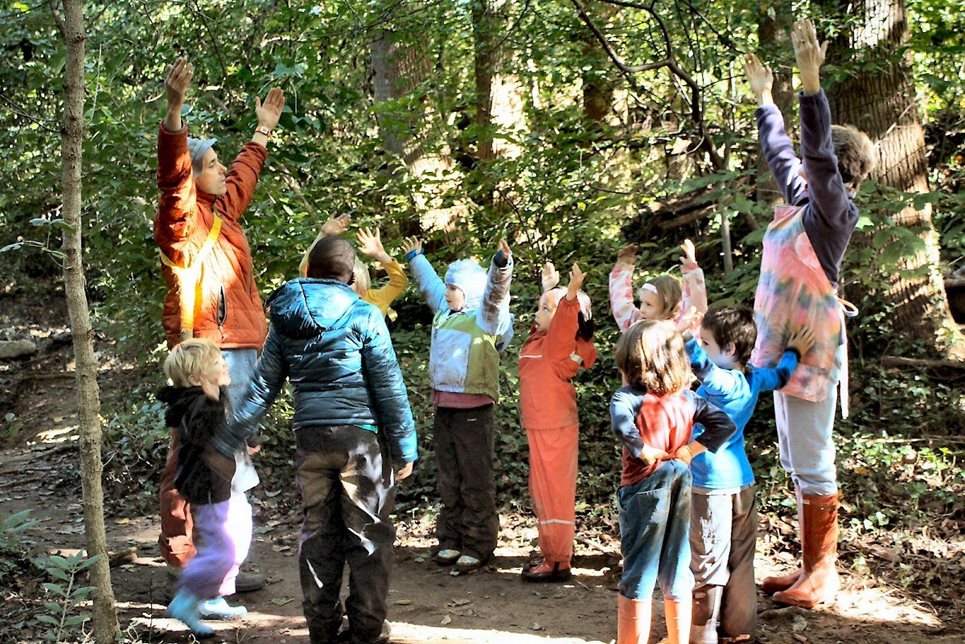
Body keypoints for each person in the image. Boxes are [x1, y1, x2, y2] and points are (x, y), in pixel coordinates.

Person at [744, 19, 876, 608]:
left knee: (814, 459)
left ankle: (824, 574)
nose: (804, 162)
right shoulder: (802, 202)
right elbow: (782, 155)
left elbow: (815, 156)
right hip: (780, 352)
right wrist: (765, 102)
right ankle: (806, 569)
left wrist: (809, 82)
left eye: (818, 158)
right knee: (798, 459)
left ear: (838, 169)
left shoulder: (833, 214)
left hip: (813, 354)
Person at [232, 236, 417, 643]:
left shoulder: (286, 318)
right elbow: (389, 387)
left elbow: (263, 384)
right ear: (350, 276)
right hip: (359, 442)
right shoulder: (364, 314)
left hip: (311, 441)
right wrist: (405, 447)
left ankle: (322, 629)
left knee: (318, 533)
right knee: (368, 534)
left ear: (310, 271)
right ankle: (367, 630)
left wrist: (240, 430)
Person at [155, 58, 284, 595]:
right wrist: (175, 113)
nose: (221, 168)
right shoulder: (184, 221)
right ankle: (191, 564)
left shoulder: (225, 215)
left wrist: (262, 132)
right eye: (211, 162)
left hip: (243, 349)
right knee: (195, 457)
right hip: (208, 350)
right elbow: (174, 178)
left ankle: (222, 564)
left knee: (230, 456)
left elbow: (244, 175)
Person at [679, 305, 814, 642]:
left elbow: (702, 367)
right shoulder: (754, 378)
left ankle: (702, 635)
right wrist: (795, 350)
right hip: (742, 482)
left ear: (730, 350)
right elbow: (781, 376)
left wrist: (682, 334)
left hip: (710, 485)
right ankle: (740, 632)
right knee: (741, 561)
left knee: (708, 563)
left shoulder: (724, 382)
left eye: (708, 343)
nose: (704, 347)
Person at [611, 321, 736, 644]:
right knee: (677, 564)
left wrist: (643, 450)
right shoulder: (687, 399)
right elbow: (724, 424)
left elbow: (623, 427)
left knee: (639, 566)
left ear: (634, 362)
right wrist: (689, 451)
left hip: (644, 485)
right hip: (680, 477)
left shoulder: (627, 397)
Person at [402, 237, 514, 572]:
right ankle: (450, 539)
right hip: (444, 409)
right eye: (448, 286)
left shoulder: (484, 317)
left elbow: (496, 293)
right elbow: (430, 285)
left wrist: (501, 266)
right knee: (449, 479)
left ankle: (478, 543)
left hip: (474, 412)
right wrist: (416, 258)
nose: (448, 292)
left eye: (455, 287)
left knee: (475, 479)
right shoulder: (445, 313)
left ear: (470, 292)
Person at [158, 339, 259, 637]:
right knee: (222, 552)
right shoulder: (199, 404)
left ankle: (203, 597)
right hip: (209, 491)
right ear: (196, 379)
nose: (224, 365)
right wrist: (214, 402)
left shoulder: (208, 399)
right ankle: (188, 599)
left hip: (220, 487)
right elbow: (203, 438)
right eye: (216, 362)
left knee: (232, 543)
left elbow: (224, 433)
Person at [518, 262, 597, 582]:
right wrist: (549, 289)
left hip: (555, 428)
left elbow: (563, 323)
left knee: (554, 494)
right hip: (542, 426)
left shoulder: (557, 344)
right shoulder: (542, 340)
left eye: (543, 308)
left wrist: (570, 295)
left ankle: (558, 561)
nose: (537, 312)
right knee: (542, 492)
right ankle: (552, 554)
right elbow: (551, 320)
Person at [298, 214, 409, 317]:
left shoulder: (374, 300)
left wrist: (380, 254)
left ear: (362, 290)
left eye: (348, 279)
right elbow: (305, 270)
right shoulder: (326, 299)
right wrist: (323, 234)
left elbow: (399, 282)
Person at [610, 241, 707, 333]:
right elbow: (621, 305)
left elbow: (696, 306)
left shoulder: (681, 326)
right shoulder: (637, 325)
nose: (642, 309)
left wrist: (692, 271)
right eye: (641, 303)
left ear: (667, 306)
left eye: (649, 304)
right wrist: (623, 267)